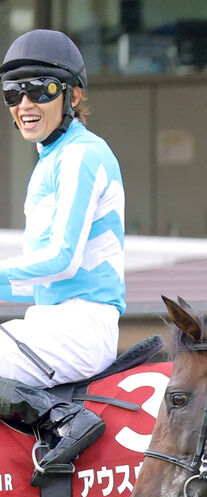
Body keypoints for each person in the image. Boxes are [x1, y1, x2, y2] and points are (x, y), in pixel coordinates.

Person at [0, 29, 125, 472]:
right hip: (52, 323)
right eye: (14, 93)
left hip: (81, 327)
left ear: (71, 95)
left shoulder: (83, 155)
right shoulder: (49, 159)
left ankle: (64, 418)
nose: (24, 105)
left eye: (39, 89)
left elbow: (62, 259)